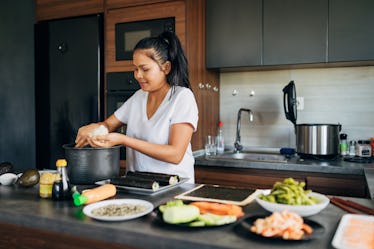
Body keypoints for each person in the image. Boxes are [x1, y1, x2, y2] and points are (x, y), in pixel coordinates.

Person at [74, 31, 198, 183]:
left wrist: (124, 140)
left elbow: (175, 154)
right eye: (135, 69)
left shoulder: (182, 97)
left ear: (166, 68)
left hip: (174, 188)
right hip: (138, 185)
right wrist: (94, 128)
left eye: (145, 69)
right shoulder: (138, 97)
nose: (137, 75)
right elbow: (108, 124)